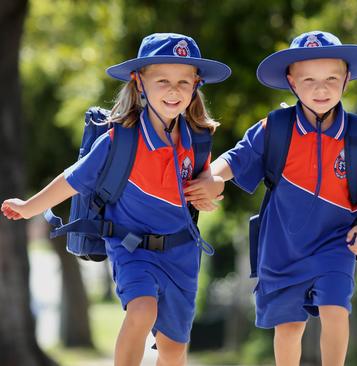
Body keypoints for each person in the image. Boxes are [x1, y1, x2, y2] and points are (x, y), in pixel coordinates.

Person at [1, 33, 230, 366]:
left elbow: (209, 182)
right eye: (162, 80)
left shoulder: (198, 139)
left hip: (182, 253)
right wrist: (28, 208)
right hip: (131, 247)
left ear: (196, 85)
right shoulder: (118, 140)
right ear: (139, 83)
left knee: (173, 348)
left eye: (183, 81)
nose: (174, 90)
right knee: (142, 310)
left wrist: (214, 187)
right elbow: (71, 179)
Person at [187, 30, 357, 366]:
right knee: (289, 326)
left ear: (346, 79)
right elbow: (237, 157)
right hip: (282, 246)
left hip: (335, 242)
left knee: (335, 310)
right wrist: (211, 177)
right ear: (292, 82)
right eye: (309, 79)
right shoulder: (276, 127)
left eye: (331, 77)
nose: (321, 87)